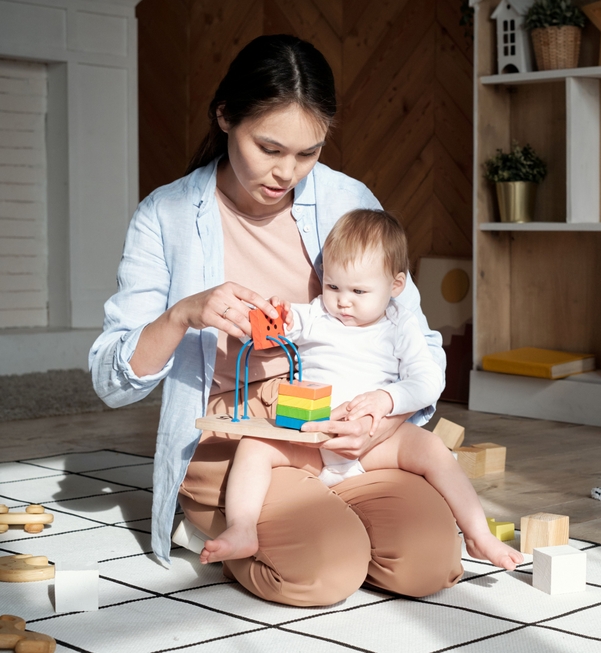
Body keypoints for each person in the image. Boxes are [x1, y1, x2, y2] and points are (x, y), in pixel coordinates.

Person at [90, 34, 465, 607]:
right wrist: (184, 313)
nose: (286, 172)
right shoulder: (165, 215)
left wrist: (379, 421)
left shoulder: (347, 199)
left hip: (337, 424)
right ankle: (242, 519)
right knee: (323, 573)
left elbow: (415, 338)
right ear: (224, 117)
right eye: (268, 148)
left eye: (308, 152)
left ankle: (326, 515)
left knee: (428, 566)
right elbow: (111, 380)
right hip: (241, 434)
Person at [202, 210, 524, 572]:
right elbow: (285, 326)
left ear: (396, 286)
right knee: (254, 446)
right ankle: (242, 527)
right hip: (315, 439)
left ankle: (478, 533)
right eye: (333, 286)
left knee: (433, 449)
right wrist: (279, 317)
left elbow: (427, 382)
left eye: (359, 291)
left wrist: (387, 399)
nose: (343, 301)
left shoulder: (400, 326)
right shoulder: (317, 315)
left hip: (375, 444)